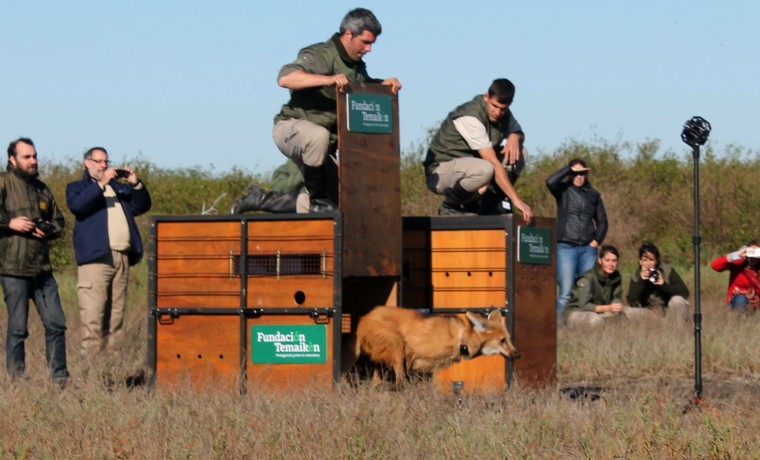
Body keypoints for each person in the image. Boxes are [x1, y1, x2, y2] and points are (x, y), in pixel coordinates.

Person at [272, 7, 402, 213]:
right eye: (365, 42)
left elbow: (362, 88)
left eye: (372, 44)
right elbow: (285, 78)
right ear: (348, 34)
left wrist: (384, 84)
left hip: (323, 148)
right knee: (318, 136)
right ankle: (317, 200)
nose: (369, 49)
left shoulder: (356, 67)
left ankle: (264, 200)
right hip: (290, 128)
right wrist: (328, 80)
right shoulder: (321, 54)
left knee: (340, 203)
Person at [65, 147, 152, 356]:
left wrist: (135, 183)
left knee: (116, 319)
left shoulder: (118, 189)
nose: (103, 165)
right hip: (96, 260)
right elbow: (78, 206)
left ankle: (112, 370)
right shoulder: (77, 187)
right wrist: (101, 184)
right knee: (93, 317)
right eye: (98, 161)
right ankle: (90, 374)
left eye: (105, 161)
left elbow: (142, 205)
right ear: (87, 163)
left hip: (121, 257)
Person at [0, 137, 69, 384]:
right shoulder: (3, 183)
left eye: (35, 156)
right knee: (18, 329)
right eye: (27, 157)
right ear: (13, 159)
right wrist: (10, 223)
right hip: (13, 269)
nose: (33, 161)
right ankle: (16, 381)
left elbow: (60, 222)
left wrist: (49, 229)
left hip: (42, 271)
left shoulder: (42, 188)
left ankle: (59, 378)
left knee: (57, 324)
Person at [423, 78, 532, 222]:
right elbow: (493, 163)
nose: (498, 112)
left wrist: (514, 136)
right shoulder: (470, 116)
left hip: (473, 167)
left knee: (520, 151)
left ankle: (492, 203)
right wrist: (516, 199)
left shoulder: (505, 114)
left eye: (503, 108)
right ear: (486, 97)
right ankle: (449, 206)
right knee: (486, 169)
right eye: (494, 106)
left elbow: (518, 132)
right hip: (441, 172)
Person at [546, 158, 608, 322]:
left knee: (585, 291)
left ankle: (581, 327)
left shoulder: (594, 195)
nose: (579, 177)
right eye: (576, 173)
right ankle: (557, 330)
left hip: (588, 249)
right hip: (565, 247)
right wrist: (568, 169)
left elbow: (602, 220)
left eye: (582, 173)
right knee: (565, 293)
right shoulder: (563, 190)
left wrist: (596, 241)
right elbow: (550, 181)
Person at [564, 245, 646, 328]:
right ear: (600, 260)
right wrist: (609, 308)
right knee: (595, 321)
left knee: (638, 313)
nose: (611, 264)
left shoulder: (616, 276)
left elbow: (617, 296)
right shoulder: (587, 279)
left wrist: (616, 305)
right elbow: (584, 305)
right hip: (578, 313)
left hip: (601, 310)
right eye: (607, 260)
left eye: (614, 261)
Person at [626, 242, 690, 322]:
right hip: (650, 315)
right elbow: (632, 302)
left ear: (656, 261)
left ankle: (677, 331)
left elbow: (684, 292)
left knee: (678, 300)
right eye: (645, 260)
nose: (648, 264)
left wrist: (663, 284)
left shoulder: (667, 270)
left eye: (651, 260)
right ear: (640, 261)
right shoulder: (636, 276)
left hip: (669, 312)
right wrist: (641, 282)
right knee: (628, 311)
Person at [230, 159, 307, 214]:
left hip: (313, 209)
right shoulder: (284, 170)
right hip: (299, 212)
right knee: (303, 200)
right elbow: (280, 189)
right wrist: (304, 175)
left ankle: (260, 199)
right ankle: (259, 199)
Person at [711, 240, 760, 311]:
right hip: (737, 301)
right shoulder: (739, 263)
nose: (754, 254)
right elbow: (715, 265)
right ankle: (740, 320)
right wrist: (737, 255)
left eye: (757, 251)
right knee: (741, 298)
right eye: (751, 251)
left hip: (755, 303)